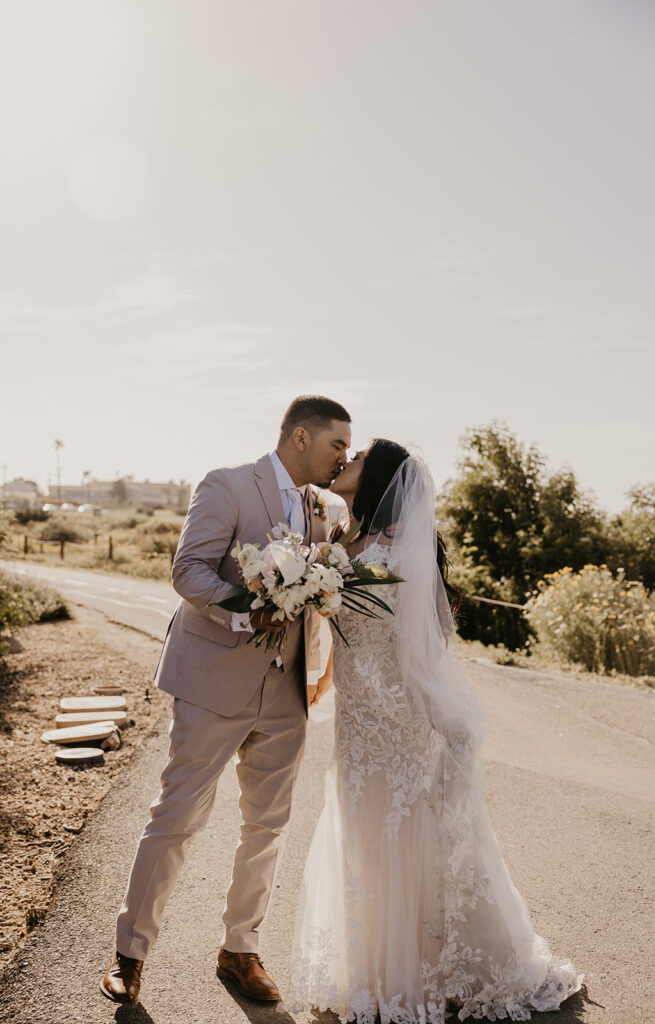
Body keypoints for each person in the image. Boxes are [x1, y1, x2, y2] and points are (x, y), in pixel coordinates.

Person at [287, 439, 583, 1023]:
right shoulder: (342, 546)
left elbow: (419, 656)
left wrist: (452, 724)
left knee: (401, 847)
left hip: (396, 730)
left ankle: (407, 976)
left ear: (378, 479)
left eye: (359, 455)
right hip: (354, 729)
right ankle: (367, 968)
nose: (347, 459)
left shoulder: (401, 557)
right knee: (363, 844)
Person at [100, 395, 352, 1007]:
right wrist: (248, 608)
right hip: (214, 681)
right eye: (336, 445)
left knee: (267, 825)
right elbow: (188, 571)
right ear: (300, 438)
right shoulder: (228, 484)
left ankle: (241, 950)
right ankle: (129, 956)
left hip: (285, 690)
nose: (343, 457)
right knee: (177, 816)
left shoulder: (326, 508)